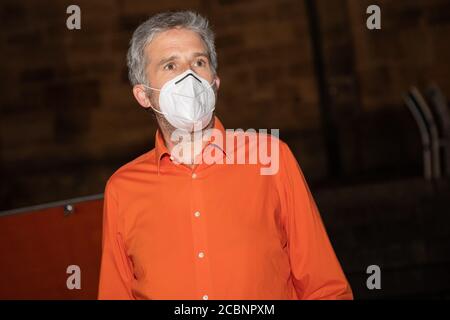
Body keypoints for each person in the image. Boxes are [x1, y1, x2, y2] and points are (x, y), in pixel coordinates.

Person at [98, 10, 353, 300]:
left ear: (214, 83)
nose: (188, 76)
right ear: (143, 95)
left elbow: (325, 288)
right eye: (170, 65)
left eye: (199, 62)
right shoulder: (123, 189)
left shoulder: (270, 158)